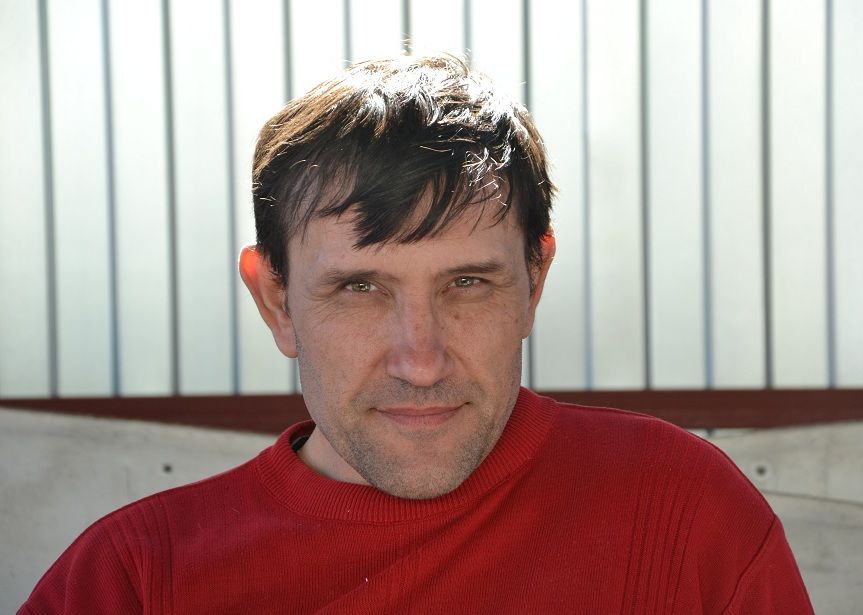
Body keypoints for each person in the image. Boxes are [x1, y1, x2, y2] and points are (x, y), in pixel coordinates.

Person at [20, 55, 813, 614]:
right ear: (276, 301)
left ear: (534, 281)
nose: (422, 360)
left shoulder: (683, 516)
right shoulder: (133, 581)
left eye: (468, 283)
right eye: (359, 288)